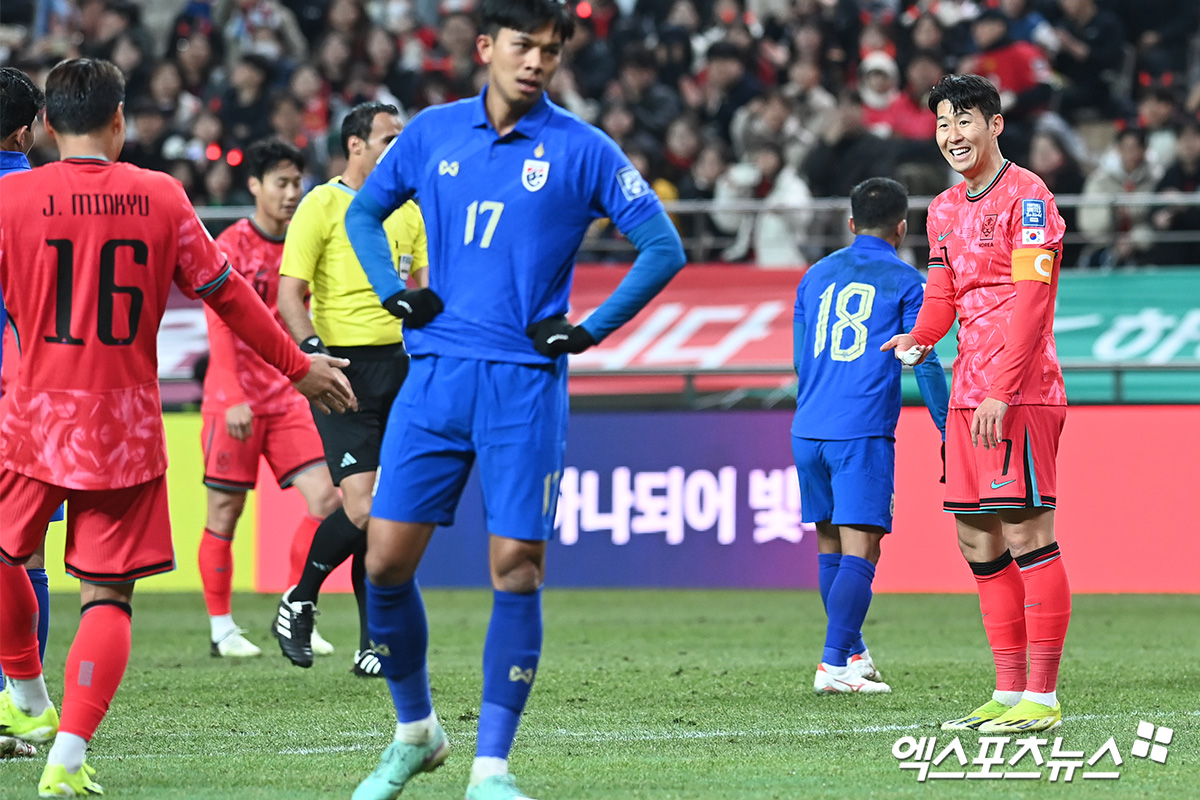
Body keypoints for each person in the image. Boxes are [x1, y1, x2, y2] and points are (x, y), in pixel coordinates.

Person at [343, 0, 687, 797]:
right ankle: (416, 731)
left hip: (524, 386)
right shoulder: (431, 133)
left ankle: (490, 769)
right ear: (487, 47)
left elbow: (662, 246)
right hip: (434, 380)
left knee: (517, 569)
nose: (537, 62)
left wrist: (592, 329)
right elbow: (364, 213)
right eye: (525, 46)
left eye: (552, 51)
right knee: (385, 563)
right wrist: (394, 292)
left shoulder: (583, 149)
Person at [0, 58, 355, 797]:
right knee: (106, 596)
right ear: (120, 119)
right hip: (126, 428)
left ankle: (28, 695)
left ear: (42, 127)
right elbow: (231, 297)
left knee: (3, 553)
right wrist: (300, 367)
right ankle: (66, 755)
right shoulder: (161, 196)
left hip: (34, 417)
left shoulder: (13, 197)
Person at [882, 74, 1071, 734]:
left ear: (995, 125)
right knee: (977, 537)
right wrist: (920, 337)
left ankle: (1042, 699)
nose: (951, 135)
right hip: (968, 392)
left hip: (1018, 392)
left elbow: (1031, 305)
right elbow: (943, 295)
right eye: (941, 124)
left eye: (964, 121)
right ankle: (1008, 688)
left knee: (1025, 531)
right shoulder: (941, 209)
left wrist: (1002, 390)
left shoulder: (1028, 200)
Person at [272, 101, 428, 678]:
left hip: (403, 368)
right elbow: (290, 295)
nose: (399, 149)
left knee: (383, 513)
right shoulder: (322, 204)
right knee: (362, 505)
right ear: (356, 146)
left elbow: (428, 291)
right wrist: (313, 355)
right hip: (343, 371)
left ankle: (371, 641)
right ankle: (302, 597)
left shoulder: (411, 210)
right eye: (389, 138)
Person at [793, 177, 948, 695]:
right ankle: (833, 664)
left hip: (808, 426)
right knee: (863, 550)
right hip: (860, 430)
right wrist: (948, 426)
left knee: (830, 547)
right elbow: (919, 355)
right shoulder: (906, 281)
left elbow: (800, 357)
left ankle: (852, 654)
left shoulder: (813, 276)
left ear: (851, 223)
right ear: (902, 229)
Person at [199, 137, 342, 659]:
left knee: (328, 499)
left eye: (297, 182)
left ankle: (295, 609)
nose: (291, 193)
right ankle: (221, 629)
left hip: (288, 397)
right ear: (255, 186)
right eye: (280, 183)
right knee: (224, 513)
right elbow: (219, 323)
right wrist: (233, 392)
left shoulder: (307, 241)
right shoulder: (231, 243)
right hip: (232, 401)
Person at [0, 65, 51, 762]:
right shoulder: (38, 195)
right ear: (29, 126)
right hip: (24, 392)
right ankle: (20, 705)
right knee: (22, 548)